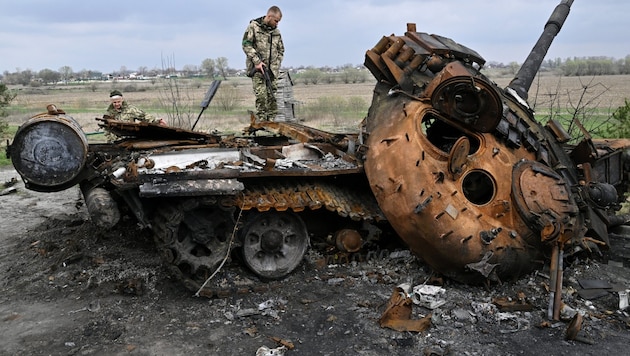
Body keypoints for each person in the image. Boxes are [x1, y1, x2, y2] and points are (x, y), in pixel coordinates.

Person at [242, 6, 285, 121]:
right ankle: (262, 121)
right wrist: (257, 62)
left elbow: (281, 50)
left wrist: (276, 64)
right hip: (258, 71)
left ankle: (271, 123)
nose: (277, 24)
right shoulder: (254, 27)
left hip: (272, 72)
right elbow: (246, 44)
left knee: (272, 98)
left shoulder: (276, 32)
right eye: (276, 21)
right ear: (269, 16)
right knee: (261, 97)